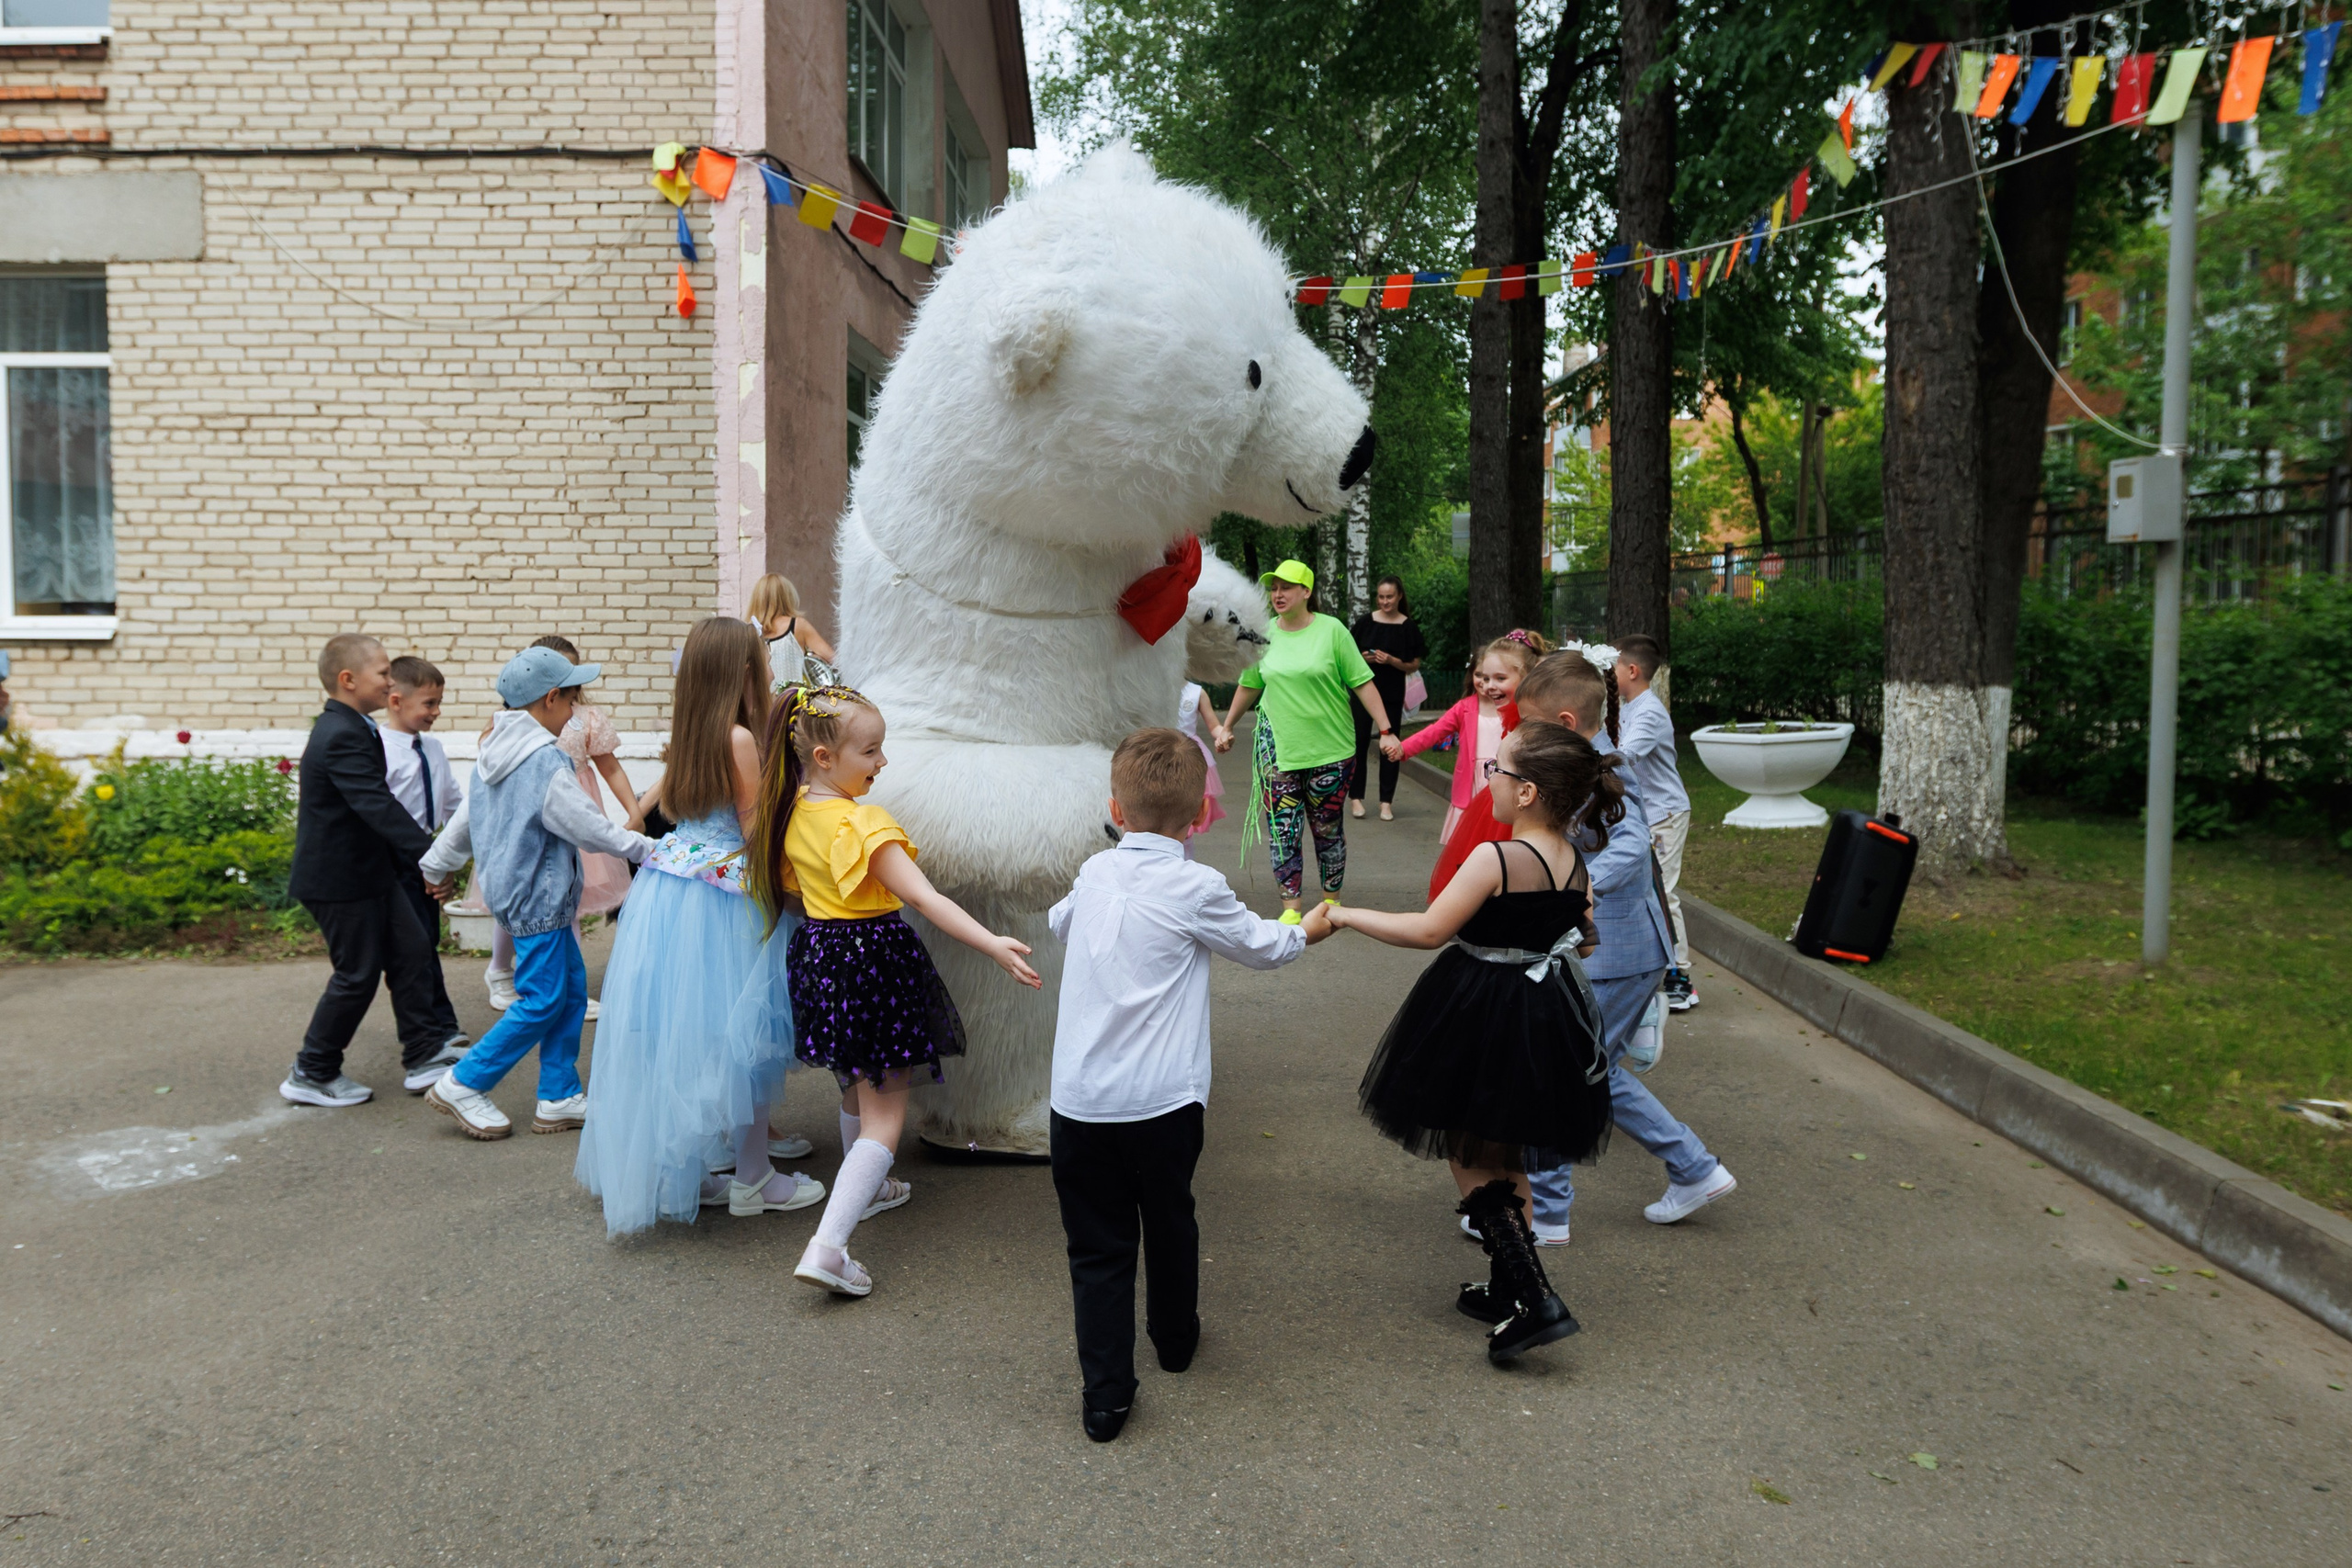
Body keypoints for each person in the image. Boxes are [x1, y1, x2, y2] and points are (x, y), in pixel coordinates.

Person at [1046, 728, 1320, 1443]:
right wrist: (1307, 928)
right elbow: (1262, 946)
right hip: (1163, 1102)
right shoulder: (1198, 887)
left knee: (1096, 1247)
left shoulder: (1095, 870)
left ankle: (1105, 1397)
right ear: (1200, 814)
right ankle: (1173, 1338)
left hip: (1080, 1103)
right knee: (1170, 1217)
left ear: (1116, 809)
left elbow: (1058, 923)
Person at [1325, 720, 1617, 1363]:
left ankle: (1538, 1300)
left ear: (1527, 792)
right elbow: (1586, 939)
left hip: (1482, 1008)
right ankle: (1510, 1286)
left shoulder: (1496, 858)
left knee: (1468, 1147)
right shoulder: (1574, 861)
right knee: (1506, 1150)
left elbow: (1430, 930)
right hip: (1542, 1013)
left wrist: (1345, 915)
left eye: (1497, 770)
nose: (1490, 779)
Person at [743, 683, 1042, 1298]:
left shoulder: (791, 810)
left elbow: (797, 894)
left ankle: (873, 1188)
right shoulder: (862, 823)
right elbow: (925, 898)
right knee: (885, 1119)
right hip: (872, 963)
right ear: (824, 757)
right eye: (871, 751)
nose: (883, 761)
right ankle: (829, 1247)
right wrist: (992, 943)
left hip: (822, 959)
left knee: (858, 1083)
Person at [572, 617, 824, 1230]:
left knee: (691, 1033)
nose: (768, 672)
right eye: (761, 663)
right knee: (745, 1031)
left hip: (672, 890)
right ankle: (754, 1176)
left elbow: (661, 806)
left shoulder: (690, 733)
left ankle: (696, 1168)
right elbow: (754, 828)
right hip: (723, 898)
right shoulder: (739, 739)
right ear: (744, 672)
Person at [1513, 648, 1736, 1235]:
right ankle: (1693, 1168)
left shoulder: (1604, 769)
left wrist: (1577, 887)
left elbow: (1634, 842)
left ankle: (1546, 1212)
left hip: (1618, 954)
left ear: (1564, 723)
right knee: (1595, 1069)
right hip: (1615, 952)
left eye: (1529, 723)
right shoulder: (1581, 764)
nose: (1521, 734)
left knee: (1565, 1071)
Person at [419, 647, 655, 1140]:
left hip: (522, 895)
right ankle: (463, 1082)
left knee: (569, 993)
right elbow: (588, 827)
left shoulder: (494, 752)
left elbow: (467, 818)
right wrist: (648, 847)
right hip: (539, 899)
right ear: (550, 699)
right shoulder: (544, 760)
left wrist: (436, 863)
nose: (574, 712)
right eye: (571, 700)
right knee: (543, 1000)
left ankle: (558, 1095)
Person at [281, 634, 469, 1109]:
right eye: (383, 673)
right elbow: (378, 807)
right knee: (357, 975)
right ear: (348, 680)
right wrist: (434, 859)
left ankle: (424, 1053)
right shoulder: (340, 733)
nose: (390, 681)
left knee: (411, 951)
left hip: (372, 873)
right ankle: (312, 1070)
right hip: (339, 881)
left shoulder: (354, 726)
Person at [1212, 560, 1396, 920]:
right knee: (1283, 831)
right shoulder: (1263, 634)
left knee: (1327, 829)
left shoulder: (1332, 631)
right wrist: (1226, 726)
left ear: (1306, 592)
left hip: (1331, 751)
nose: (1278, 594)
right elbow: (1250, 684)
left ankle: (1331, 903)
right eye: (1274, 588)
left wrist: (1386, 730)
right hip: (1277, 749)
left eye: (1287, 587)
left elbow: (1362, 682)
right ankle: (1291, 908)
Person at [483, 636, 639, 1020]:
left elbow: (610, 767)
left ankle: (568, 990)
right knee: (530, 896)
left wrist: (633, 812)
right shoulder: (513, 731)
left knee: (564, 899)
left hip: (576, 812)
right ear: (550, 695)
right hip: (537, 818)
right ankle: (505, 972)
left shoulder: (585, 719)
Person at [377, 654, 469, 1090]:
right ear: (396, 701)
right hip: (394, 862)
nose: (436, 712)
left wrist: (449, 858)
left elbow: (451, 804)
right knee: (408, 953)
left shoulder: (432, 748)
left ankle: (443, 1026)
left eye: (438, 703)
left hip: (429, 857)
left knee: (426, 942)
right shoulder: (377, 749)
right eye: (429, 704)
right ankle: (427, 1037)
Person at [1393, 630, 1546, 848]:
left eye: (1499, 678)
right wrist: (1404, 748)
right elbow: (1435, 732)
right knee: (1469, 844)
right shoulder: (1465, 708)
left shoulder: (1526, 715)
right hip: (1473, 785)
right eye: (1482, 676)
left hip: (1508, 788)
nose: (1487, 684)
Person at [1612, 634, 1697, 1012]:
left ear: (1632, 670)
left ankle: (1681, 977)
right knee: (1645, 892)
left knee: (1663, 893)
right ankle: (1653, 969)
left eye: (1613, 666)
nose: (1609, 673)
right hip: (1644, 814)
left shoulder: (1648, 711)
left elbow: (1624, 756)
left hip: (1664, 815)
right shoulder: (1628, 706)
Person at [1348, 576, 1425, 821]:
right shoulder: (1365, 622)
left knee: (1391, 746)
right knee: (1358, 742)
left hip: (1392, 693)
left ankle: (1386, 802)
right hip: (1362, 691)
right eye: (1381, 597)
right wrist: (1363, 658)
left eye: (1389, 597)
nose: (1384, 602)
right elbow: (1347, 656)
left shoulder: (1408, 627)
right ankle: (1356, 798)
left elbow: (1413, 665)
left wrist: (1391, 661)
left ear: (1399, 596)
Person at [748, 572, 839, 690]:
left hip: (760, 699)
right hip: (792, 698)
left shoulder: (749, 631)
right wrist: (813, 658)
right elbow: (834, 660)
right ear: (786, 597)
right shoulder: (798, 626)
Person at [1174, 680, 1227, 853]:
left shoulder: (1196, 692)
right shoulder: (1152, 686)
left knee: (1188, 807)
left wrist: (1224, 734)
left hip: (1190, 755)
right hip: (1160, 751)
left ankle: (1185, 854)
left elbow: (1214, 726)